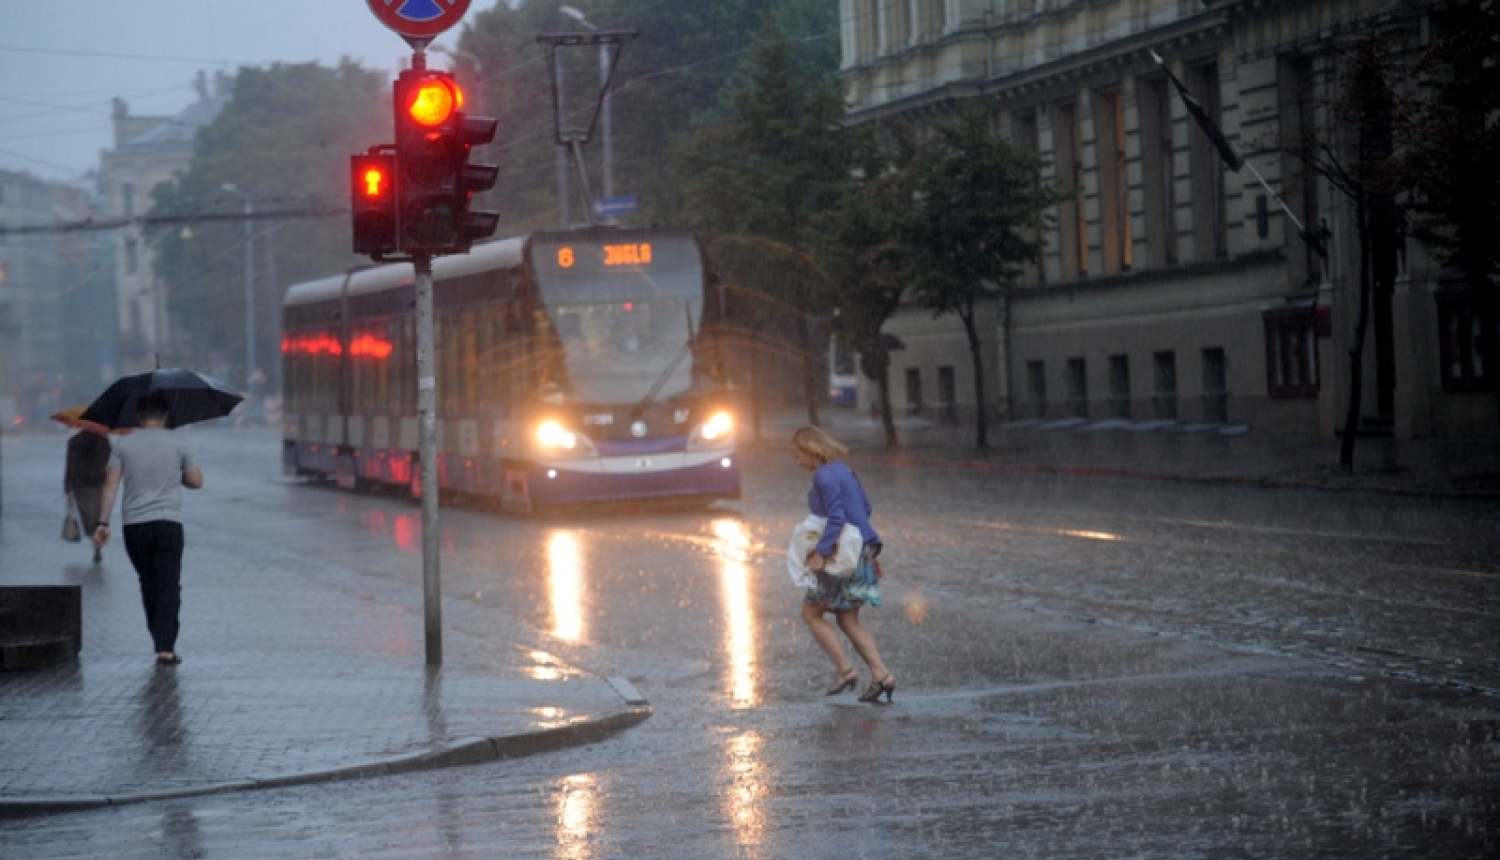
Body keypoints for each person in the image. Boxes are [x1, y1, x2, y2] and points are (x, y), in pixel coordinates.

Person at [92, 392, 204, 666]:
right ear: (166, 415)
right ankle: (165, 645)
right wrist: (176, 473)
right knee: (168, 583)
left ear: (138, 416)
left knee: (148, 582)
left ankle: (158, 635)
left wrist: (102, 523)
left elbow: (110, 485)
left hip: (135, 526)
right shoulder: (179, 443)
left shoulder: (122, 445)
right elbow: (196, 481)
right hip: (168, 523)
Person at [790, 425, 895, 704]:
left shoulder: (824, 476)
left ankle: (846, 670)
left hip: (842, 556)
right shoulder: (844, 470)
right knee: (848, 619)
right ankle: (882, 675)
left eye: (798, 455)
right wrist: (869, 555)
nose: (797, 462)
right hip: (861, 550)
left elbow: (836, 518)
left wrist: (821, 553)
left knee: (811, 613)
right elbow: (865, 508)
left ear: (810, 450)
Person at [64, 428, 111, 563]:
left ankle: (95, 541)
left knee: (88, 517)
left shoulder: (74, 441)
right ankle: (97, 545)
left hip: (80, 485)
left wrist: (67, 486)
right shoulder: (103, 442)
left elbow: (70, 465)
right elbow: (110, 463)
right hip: (98, 483)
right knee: (97, 516)